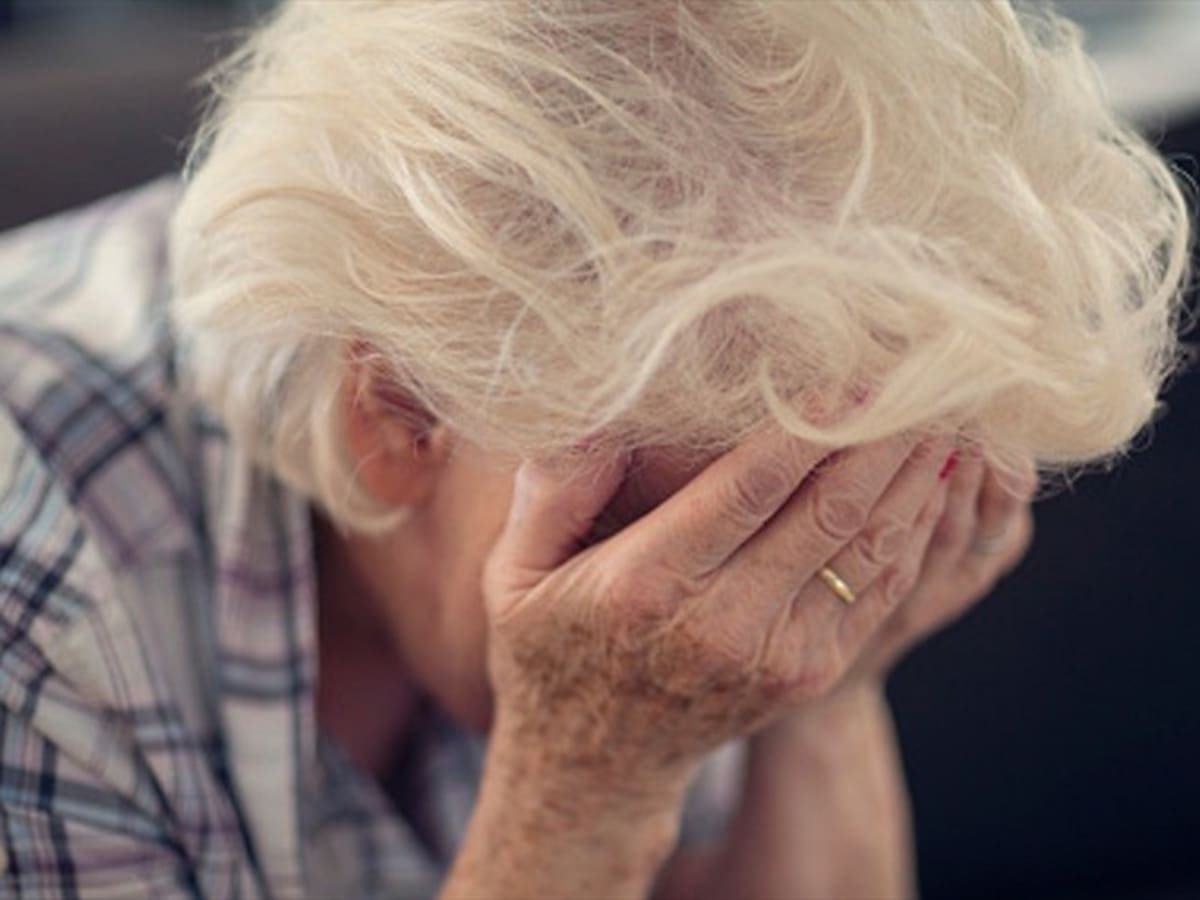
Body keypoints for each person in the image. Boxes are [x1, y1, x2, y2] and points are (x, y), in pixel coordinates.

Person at [0, 1, 1188, 898]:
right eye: (722, 538)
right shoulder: (29, 582)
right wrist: (578, 794)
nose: (759, 631)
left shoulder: (730, 467)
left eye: (847, 516)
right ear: (400, 412)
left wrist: (831, 688)